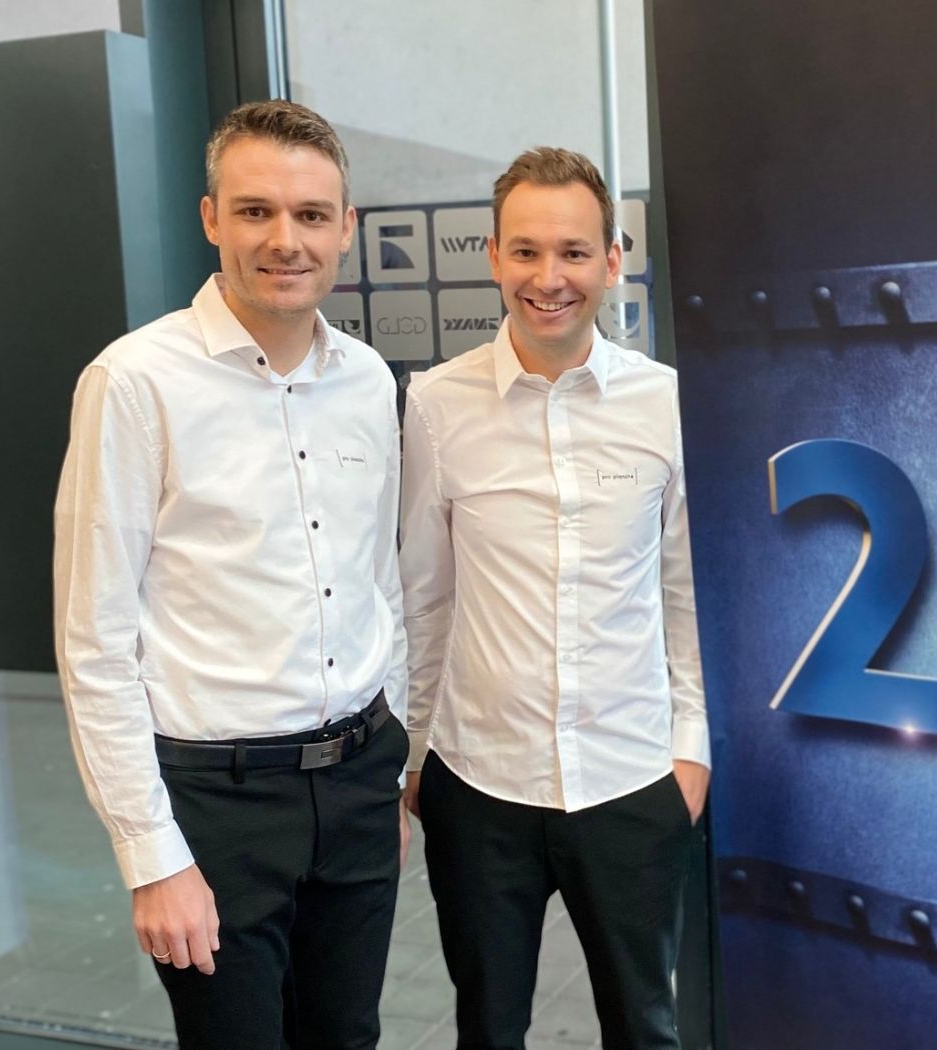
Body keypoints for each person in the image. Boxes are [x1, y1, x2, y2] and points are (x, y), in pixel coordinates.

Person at [52, 100, 408, 1050]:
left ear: (346, 228)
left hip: (358, 781)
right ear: (212, 218)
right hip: (216, 804)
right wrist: (152, 857)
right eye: (256, 211)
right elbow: (94, 643)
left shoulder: (369, 380)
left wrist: (390, 763)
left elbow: (378, 582)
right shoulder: (135, 383)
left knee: (348, 1038)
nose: (285, 240)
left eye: (310, 214)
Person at [399, 146, 710, 1050]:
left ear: (612, 260)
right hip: (478, 784)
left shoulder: (666, 404)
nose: (549, 278)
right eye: (527, 251)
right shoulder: (437, 405)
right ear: (493, 257)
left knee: (646, 1030)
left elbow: (685, 595)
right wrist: (415, 754)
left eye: (573, 252)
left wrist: (689, 756)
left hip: (632, 779)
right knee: (489, 1030)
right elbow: (425, 596)